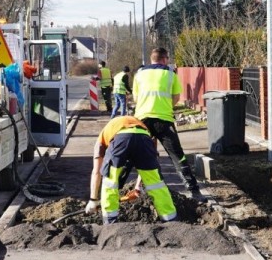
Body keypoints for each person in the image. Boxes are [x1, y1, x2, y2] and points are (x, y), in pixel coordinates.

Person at [132, 47, 202, 196]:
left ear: (152, 59)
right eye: (168, 59)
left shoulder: (139, 74)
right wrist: (164, 106)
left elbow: (136, 98)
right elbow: (176, 97)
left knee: (142, 154)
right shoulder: (170, 74)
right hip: (163, 121)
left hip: (142, 120)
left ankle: (142, 188)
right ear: (164, 59)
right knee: (177, 155)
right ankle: (193, 190)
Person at [83, 115, 178, 224]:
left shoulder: (101, 139)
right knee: (156, 183)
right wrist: (138, 186)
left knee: (110, 181)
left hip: (121, 138)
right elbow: (145, 166)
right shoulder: (139, 126)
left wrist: (93, 200)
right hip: (145, 138)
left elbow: (96, 171)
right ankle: (171, 220)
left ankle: (110, 223)